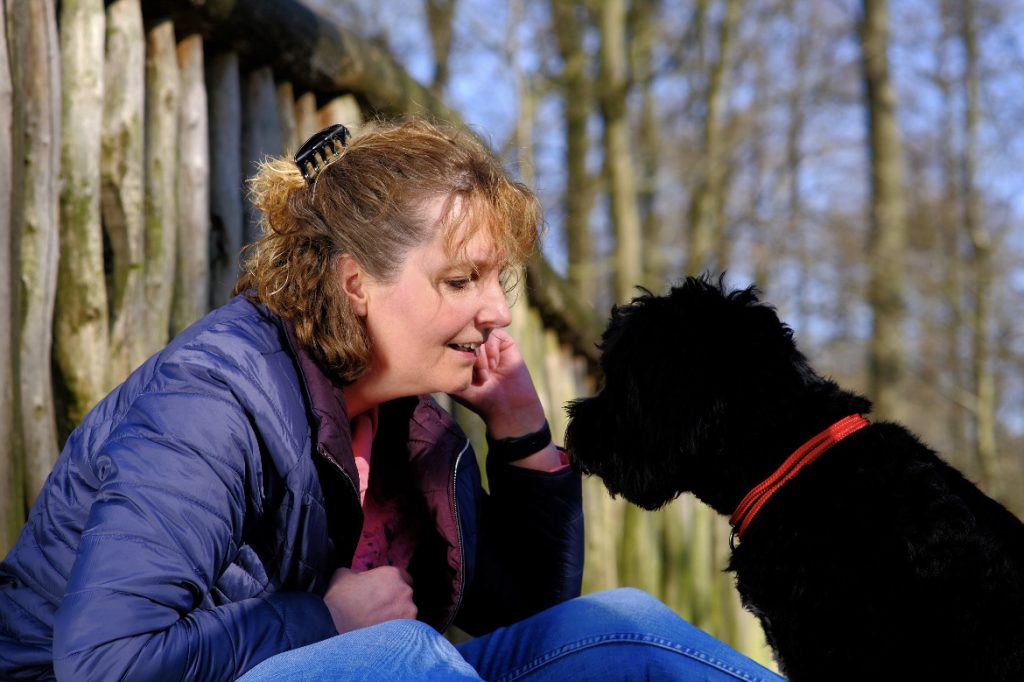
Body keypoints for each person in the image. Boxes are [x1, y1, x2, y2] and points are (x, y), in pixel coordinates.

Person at [0, 118, 785, 681]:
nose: (498, 312)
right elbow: (107, 660)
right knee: (402, 655)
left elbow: (527, 626)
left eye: (495, 280)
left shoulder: (413, 427)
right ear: (355, 285)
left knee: (620, 629)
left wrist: (519, 434)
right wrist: (326, 621)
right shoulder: (216, 400)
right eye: (459, 280)